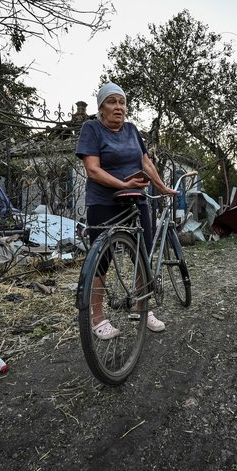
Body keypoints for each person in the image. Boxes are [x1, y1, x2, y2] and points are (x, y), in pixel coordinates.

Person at [75, 82, 177, 340]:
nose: (118, 107)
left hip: (136, 201)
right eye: (112, 102)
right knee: (101, 261)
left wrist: (161, 186)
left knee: (141, 256)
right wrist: (122, 184)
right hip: (103, 202)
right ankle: (98, 318)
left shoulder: (132, 130)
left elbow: (145, 162)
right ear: (101, 108)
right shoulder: (92, 129)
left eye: (122, 102)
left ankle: (143, 309)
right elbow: (93, 170)